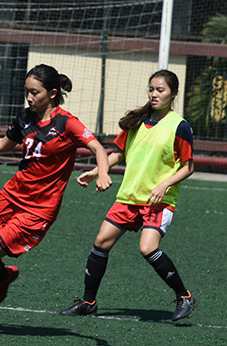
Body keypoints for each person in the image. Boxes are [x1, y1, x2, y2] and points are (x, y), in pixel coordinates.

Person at [0, 64, 112, 332]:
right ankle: (5, 275)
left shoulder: (67, 123)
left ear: (53, 93)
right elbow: (2, 144)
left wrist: (102, 173)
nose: (30, 98)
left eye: (35, 92)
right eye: (27, 92)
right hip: (11, 194)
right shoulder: (25, 117)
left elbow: (97, 147)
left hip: (38, 209)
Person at [60, 69, 197, 322]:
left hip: (158, 201)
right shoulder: (138, 122)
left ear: (174, 93)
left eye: (161, 90)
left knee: (147, 248)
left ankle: (185, 296)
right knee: (101, 243)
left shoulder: (179, 126)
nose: (154, 94)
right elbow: (118, 153)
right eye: (152, 89)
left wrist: (164, 185)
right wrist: (96, 171)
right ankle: (88, 302)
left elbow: (188, 167)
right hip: (129, 197)